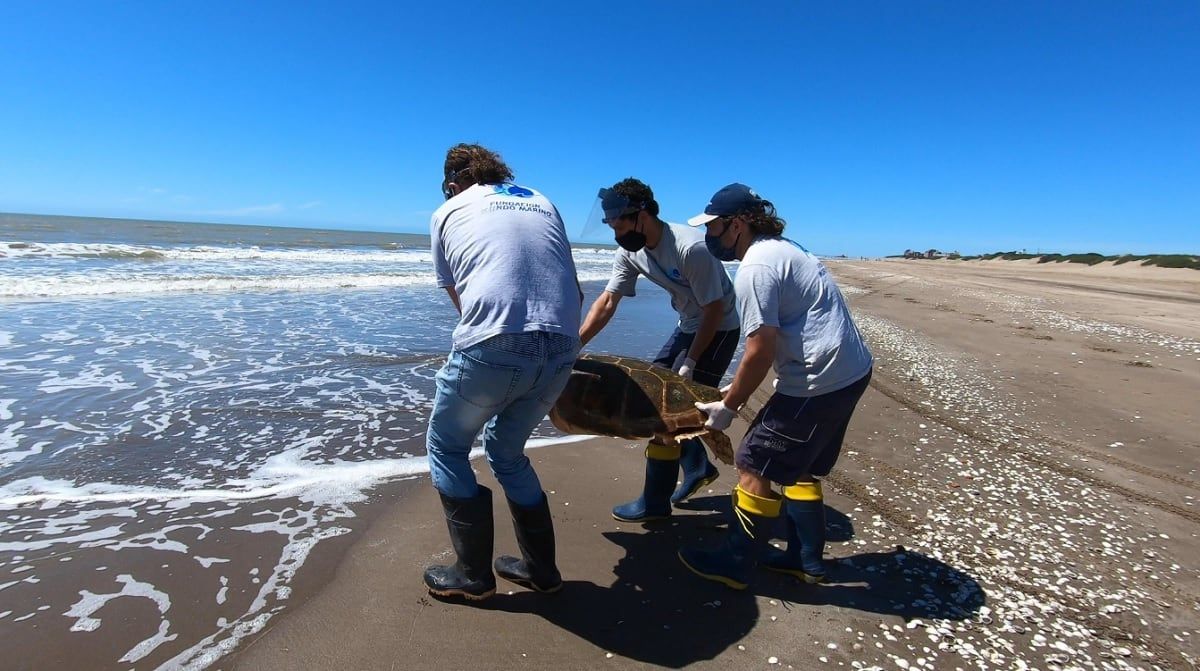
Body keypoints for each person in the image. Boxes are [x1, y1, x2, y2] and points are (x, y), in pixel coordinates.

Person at [677, 184, 873, 589]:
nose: (710, 237)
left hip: (818, 381)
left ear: (739, 224)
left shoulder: (756, 268)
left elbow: (759, 350)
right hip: (850, 371)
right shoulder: (784, 248)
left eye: (714, 228)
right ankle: (805, 561)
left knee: (753, 461)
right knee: (800, 467)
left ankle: (735, 562)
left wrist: (729, 405)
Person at [423, 144, 582, 600]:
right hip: (564, 340)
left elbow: (460, 295)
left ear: (453, 185)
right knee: (507, 451)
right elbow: (570, 285)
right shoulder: (541, 199)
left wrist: (496, 345)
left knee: (447, 445)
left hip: (499, 342)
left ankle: (472, 575)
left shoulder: (448, 209)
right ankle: (541, 570)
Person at [578, 178, 740, 522]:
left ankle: (655, 502)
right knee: (651, 400)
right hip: (688, 325)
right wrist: (573, 345)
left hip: (720, 327)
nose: (615, 230)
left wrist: (692, 359)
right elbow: (607, 301)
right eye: (609, 223)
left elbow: (713, 309)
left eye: (619, 222)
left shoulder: (690, 247)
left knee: (667, 414)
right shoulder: (629, 252)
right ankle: (697, 467)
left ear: (643, 214)